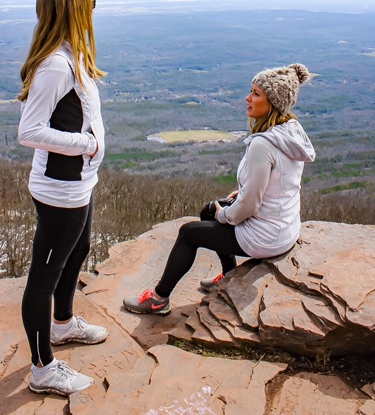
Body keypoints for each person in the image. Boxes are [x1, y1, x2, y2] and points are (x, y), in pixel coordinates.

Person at [123, 63, 315, 316]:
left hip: (266, 237)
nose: (248, 98)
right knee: (208, 210)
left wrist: (225, 215)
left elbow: (250, 206)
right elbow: (279, 185)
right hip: (283, 227)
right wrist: (238, 197)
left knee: (189, 233)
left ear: (273, 103)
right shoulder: (290, 133)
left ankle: (158, 300)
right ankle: (228, 277)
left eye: (256, 93)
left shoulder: (263, 145)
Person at [18, 0, 108, 396]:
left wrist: (89, 154)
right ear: (73, 11)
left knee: (80, 249)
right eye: (88, 3)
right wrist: (86, 145)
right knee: (43, 277)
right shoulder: (56, 64)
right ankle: (42, 368)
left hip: (78, 182)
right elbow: (30, 131)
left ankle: (64, 323)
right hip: (60, 188)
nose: (94, 8)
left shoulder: (73, 56)